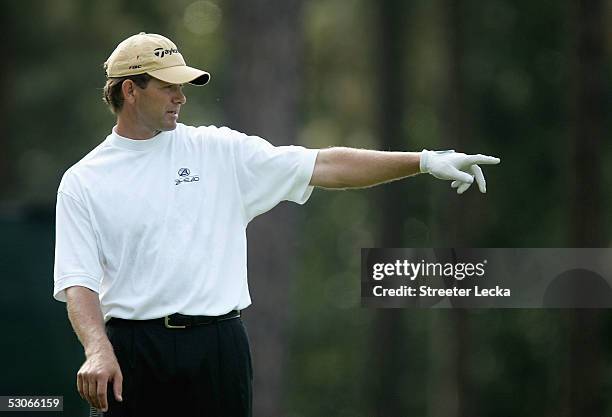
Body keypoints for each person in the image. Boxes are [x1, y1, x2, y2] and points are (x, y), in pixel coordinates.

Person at [53, 32, 500, 417]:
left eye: (182, 87)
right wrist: (97, 348)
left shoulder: (218, 150)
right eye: (169, 87)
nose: (181, 98)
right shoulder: (84, 180)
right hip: (133, 352)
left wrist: (423, 161)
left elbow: (326, 165)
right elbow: (78, 282)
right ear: (130, 91)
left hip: (217, 347)